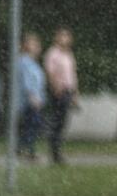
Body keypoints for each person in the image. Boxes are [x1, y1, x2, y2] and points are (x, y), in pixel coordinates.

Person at [43, 27, 79, 165]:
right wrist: (55, 87)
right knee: (58, 121)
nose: (65, 39)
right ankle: (54, 152)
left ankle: (57, 150)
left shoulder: (68, 54)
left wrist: (75, 92)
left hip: (68, 90)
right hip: (59, 91)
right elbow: (50, 71)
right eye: (62, 36)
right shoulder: (53, 53)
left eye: (67, 36)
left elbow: (73, 74)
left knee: (63, 122)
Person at [16, 32, 46, 161]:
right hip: (29, 100)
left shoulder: (33, 63)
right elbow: (27, 82)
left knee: (33, 125)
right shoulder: (24, 61)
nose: (37, 46)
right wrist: (33, 97)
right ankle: (24, 149)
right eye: (33, 44)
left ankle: (24, 149)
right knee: (33, 124)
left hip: (35, 99)